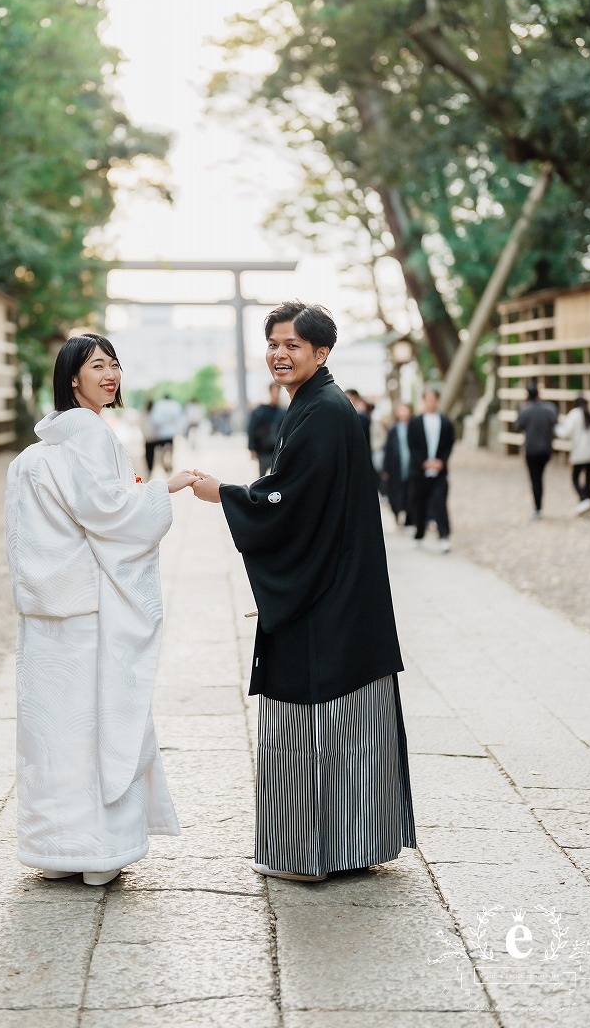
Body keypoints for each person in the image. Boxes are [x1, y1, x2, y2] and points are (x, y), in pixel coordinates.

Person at [190, 300, 415, 882]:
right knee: (352, 732)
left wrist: (229, 494)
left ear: (322, 352)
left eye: (292, 345)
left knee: (311, 727)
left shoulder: (321, 412)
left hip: (323, 598)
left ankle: (309, 854)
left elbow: (288, 499)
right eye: (273, 344)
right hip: (346, 590)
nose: (280, 354)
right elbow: (299, 491)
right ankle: (355, 842)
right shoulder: (324, 406)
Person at [4, 335, 195, 886]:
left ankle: (56, 849)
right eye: (96, 366)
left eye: (113, 364)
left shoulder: (38, 451)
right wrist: (163, 489)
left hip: (47, 610)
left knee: (52, 731)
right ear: (72, 379)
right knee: (99, 722)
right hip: (87, 611)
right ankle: (100, 852)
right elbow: (110, 513)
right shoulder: (91, 435)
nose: (109, 374)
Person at [407, 387, 455, 552]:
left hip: (439, 471)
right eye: (427, 399)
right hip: (420, 471)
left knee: (439, 503)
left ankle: (444, 536)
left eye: (433, 399)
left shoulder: (446, 422)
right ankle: (419, 534)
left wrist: (441, 461)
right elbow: (412, 446)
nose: (430, 402)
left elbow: (449, 444)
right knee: (419, 504)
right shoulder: (415, 422)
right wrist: (423, 462)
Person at [514, 384, 557, 518]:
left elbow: (518, 426)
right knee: (540, 476)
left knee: (535, 478)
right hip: (545, 449)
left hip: (531, 450)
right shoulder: (548, 409)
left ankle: (537, 507)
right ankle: (539, 505)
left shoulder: (525, 410)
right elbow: (555, 423)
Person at [556, 394, 590, 515]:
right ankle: (588, 504)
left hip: (579, 454)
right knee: (588, 480)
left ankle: (584, 500)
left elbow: (565, 433)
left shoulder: (574, 415)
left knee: (575, 478)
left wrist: (555, 427)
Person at [381, 401, 414, 527]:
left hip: (410, 465)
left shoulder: (414, 426)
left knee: (410, 493)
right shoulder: (394, 429)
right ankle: (397, 514)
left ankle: (409, 519)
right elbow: (388, 449)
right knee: (395, 493)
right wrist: (385, 469)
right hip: (396, 466)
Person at [247, 382, 286, 477]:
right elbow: (252, 429)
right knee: (262, 478)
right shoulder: (260, 411)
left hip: (276, 451)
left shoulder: (282, 412)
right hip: (263, 450)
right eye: (274, 391)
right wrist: (252, 448)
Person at [150, 394, 185, 475]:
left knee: (162, 450)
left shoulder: (158, 405)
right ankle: (169, 462)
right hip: (170, 433)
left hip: (161, 433)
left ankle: (163, 463)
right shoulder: (175, 405)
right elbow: (179, 419)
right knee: (170, 449)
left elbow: (155, 420)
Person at [139, 397, 158, 476]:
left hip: (148, 438)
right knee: (151, 454)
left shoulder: (145, 414)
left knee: (148, 454)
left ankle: (149, 468)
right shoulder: (152, 415)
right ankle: (150, 468)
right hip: (151, 438)